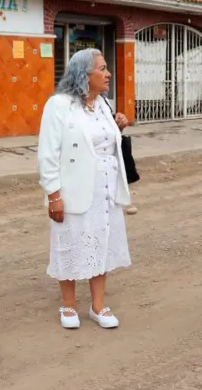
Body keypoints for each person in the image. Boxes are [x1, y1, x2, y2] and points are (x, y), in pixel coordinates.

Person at [37, 48, 132, 330]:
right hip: (73, 189)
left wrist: (118, 127)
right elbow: (48, 154)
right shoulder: (59, 105)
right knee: (69, 242)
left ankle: (97, 306)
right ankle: (68, 305)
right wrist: (54, 195)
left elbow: (101, 141)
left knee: (101, 243)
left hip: (105, 188)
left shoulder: (102, 103)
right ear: (83, 74)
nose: (108, 74)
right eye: (102, 69)